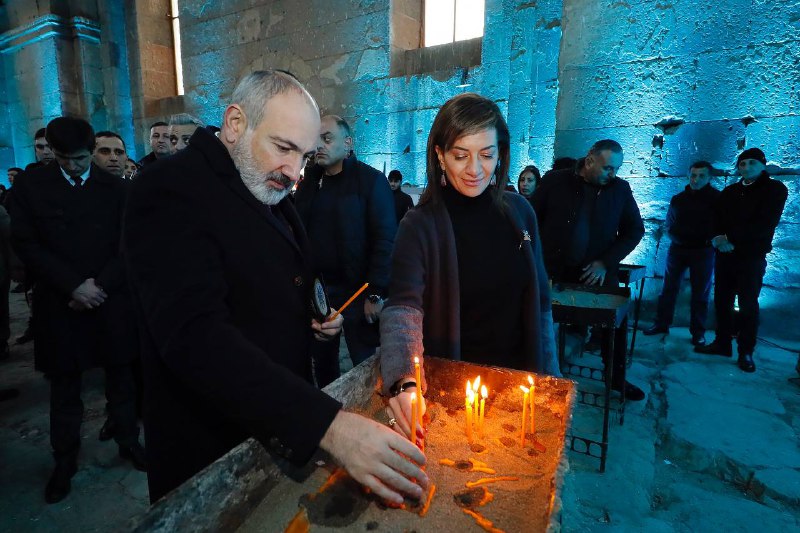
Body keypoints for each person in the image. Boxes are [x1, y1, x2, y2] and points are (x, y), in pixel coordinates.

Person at [123, 71, 427, 504]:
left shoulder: (264, 185)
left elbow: (268, 277)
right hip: (211, 440)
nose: (293, 171)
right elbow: (193, 337)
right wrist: (330, 426)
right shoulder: (170, 188)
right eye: (284, 148)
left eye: (303, 156)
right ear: (234, 124)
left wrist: (310, 315)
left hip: (276, 427)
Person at [379, 93, 559, 439]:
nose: (475, 169)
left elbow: (541, 304)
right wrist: (406, 381)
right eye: (460, 155)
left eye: (487, 155)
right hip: (453, 395)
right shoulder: (419, 225)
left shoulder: (521, 213)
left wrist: (551, 381)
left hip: (518, 389)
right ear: (440, 155)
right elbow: (403, 308)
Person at [8, 117, 145, 504]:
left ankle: (128, 441)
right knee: (65, 388)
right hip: (61, 302)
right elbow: (27, 243)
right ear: (53, 152)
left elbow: (128, 242)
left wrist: (99, 286)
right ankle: (64, 459)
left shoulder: (116, 188)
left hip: (109, 298)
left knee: (122, 380)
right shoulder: (32, 188)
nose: (74, 166)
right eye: (65, 159)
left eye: (82, 158)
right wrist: (72, 286)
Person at [532, 140, 646, 401]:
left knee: (614, 327)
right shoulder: (555, 181)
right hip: (554, 269)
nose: (612, 174)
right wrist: (535, 258)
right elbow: (532, 218)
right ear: (590, 160)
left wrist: (606, 262)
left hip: (598, 272)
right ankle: (538, 373)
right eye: (607, 168)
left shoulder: (620, 189)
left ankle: (616, 378)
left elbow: (634, 231)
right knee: (541, 321)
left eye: (616, 168)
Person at [294, 115, 396, 387]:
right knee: (324, 363)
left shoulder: (370, 181)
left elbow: (385, 239)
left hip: (359, 290)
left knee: (364, 362)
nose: (318, 146)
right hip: (320, 292)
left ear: (347, 143)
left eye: (326, 139)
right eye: (315, 139)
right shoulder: (308, 183)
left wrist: (376, 291)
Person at [695, 148, 788, 372]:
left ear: (763, 165)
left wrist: (729, 238)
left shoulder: (775, 189)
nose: (746, 167)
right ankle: (722, 342)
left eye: (752, 163)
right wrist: (717, 238)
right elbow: (716, 218)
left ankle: (746, 350)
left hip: (751, 257)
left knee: (747, 305)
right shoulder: (730, 191)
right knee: (722, 301)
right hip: (725, 254)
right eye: (743, 163)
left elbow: (765, 223)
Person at [643, 161, 720, 346]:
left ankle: (698, 332)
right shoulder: (678, 199)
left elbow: (721, 224)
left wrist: (710, 239)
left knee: (701, 292)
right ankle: (661, 324)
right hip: (678, 250)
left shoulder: (717, 198)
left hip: (703, 250)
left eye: (701, 176)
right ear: (688, 176)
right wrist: (674, 237)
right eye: (693, 175)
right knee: (668, 288)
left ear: (709, 177)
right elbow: (669, 223)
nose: (696, 179)